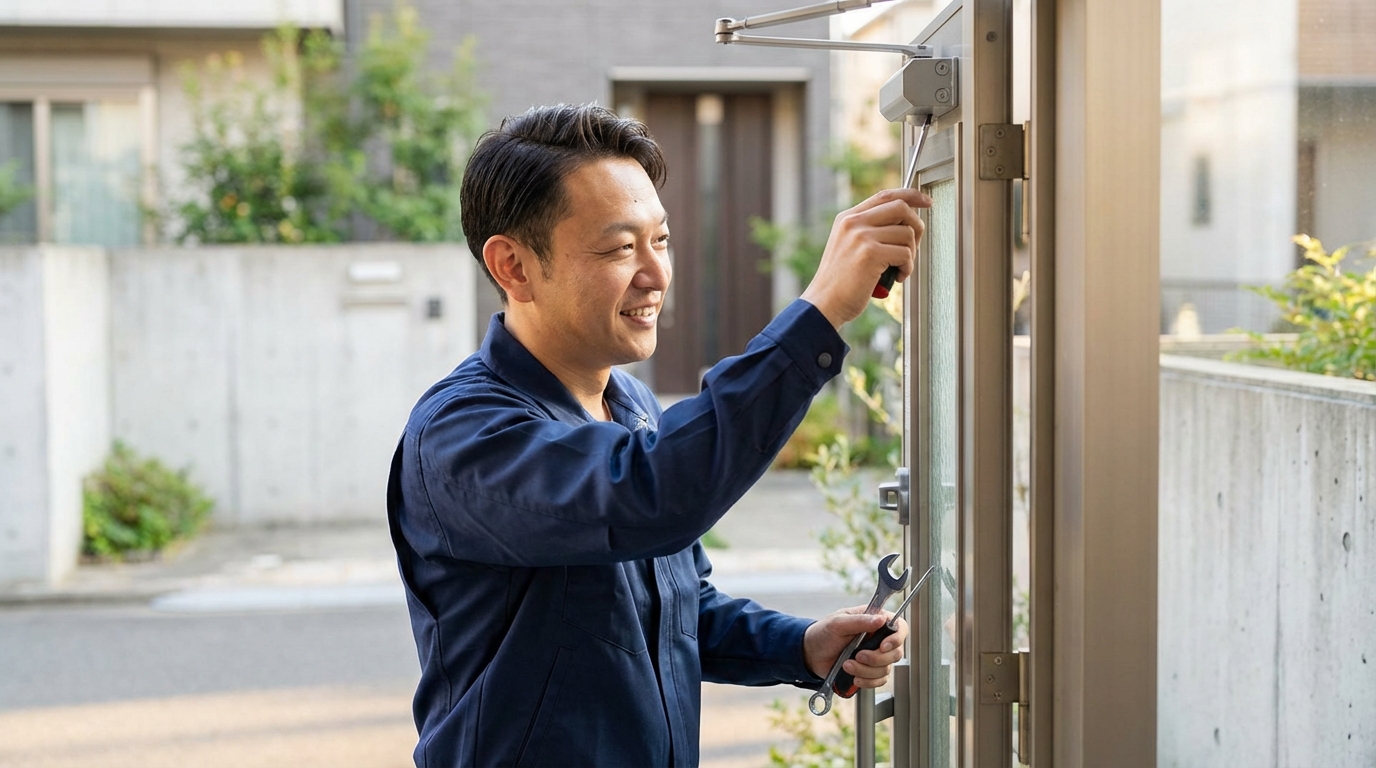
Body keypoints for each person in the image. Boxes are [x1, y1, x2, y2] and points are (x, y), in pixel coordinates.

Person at [387, 103, 931, 768]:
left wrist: (801, 646)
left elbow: (673, 612)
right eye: (621, 248)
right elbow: (650, 495)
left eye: (661, 240)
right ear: (514, 266)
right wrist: (818, 315)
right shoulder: (463, 433)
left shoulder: (631, 406)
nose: (656, 274)